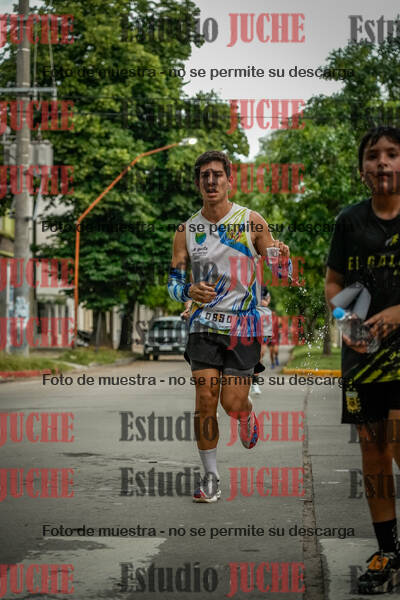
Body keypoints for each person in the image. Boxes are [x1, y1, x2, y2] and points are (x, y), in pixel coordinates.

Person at [168, 150, 290, 502]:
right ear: (198, 183)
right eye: (204, 175)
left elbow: (279, 271)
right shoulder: (186, 230)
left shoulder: (251, 221)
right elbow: (173, 283)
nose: (211, 181)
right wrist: (188, 291)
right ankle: (210, 477)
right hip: (203, 326)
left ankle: (246, 414)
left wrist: (283, 260)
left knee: (232, 403)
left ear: (229, 180)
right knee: (205, 399)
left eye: (217, 174)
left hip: (243, 327)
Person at [325, 126, 400, 594]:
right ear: (362, 170)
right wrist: (344, 321)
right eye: (373, 155)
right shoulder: (349, 222)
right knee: (374, 452)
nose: (383, 162)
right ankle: (388, 552)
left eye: (393, 153)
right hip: (364, 358)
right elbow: (334, 284)